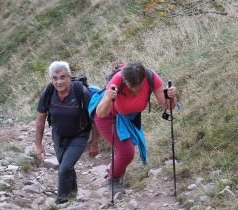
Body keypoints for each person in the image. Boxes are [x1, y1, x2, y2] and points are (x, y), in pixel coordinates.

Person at [90, 62, 177, 193]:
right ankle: (113, 179)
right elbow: (100, 113)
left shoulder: (151, 78)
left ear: (143, 79)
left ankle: (113, 168)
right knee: (127, 152)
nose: (134, 90)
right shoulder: (118, 80)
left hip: (128, 118)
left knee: (124, 150)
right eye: (131, 87)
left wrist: (171, 97)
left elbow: (168, 106)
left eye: (138, 86)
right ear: (125, 80)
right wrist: (108, 98)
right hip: (108, 118)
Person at [35, 61, 99, 204]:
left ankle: (61, 200)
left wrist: (94, 142)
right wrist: (38, 145)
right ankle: (73, 196)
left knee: (64, 169)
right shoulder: (49, 92)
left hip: (80, 135)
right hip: (59, 136)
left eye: (62, 77)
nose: (59, 82)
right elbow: (40, 120)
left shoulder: (81, 92)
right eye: (55, 78)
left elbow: (95, 120)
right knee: (67, 166)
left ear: (69, 77)